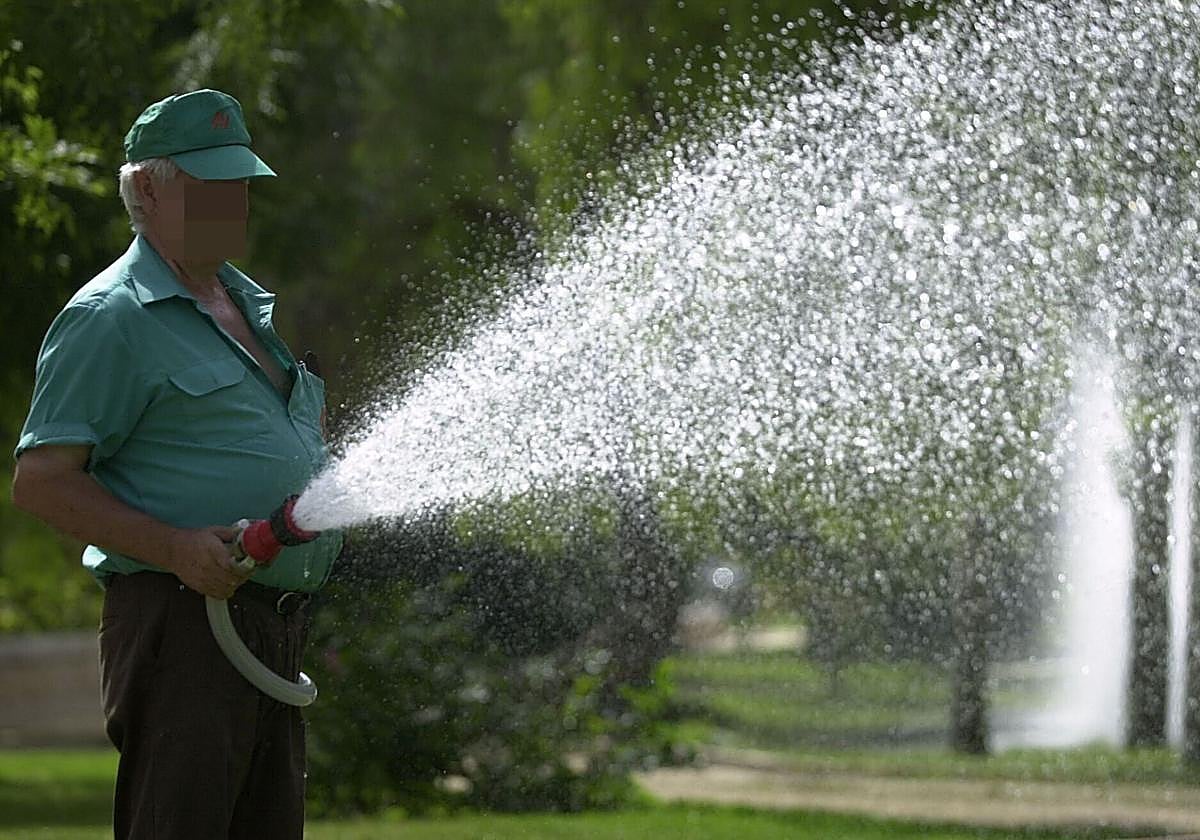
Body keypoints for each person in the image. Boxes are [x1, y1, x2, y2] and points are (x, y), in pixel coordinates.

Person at [10, 89, 342, 839]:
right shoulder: (110, 317)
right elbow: (41, 481)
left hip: (267, 626)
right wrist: (176, 551)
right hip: (185, 627)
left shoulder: (243, 305)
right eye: (210, 184)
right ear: (149, 189)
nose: (235, 204)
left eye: (241, 184)